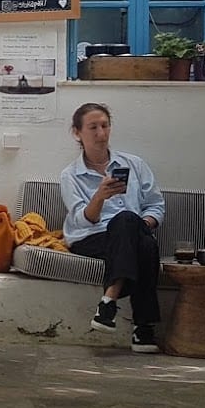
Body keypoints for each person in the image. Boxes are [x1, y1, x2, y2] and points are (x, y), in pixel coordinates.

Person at [60, 102, 166, 354]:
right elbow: (82, 220)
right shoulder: (71, 175)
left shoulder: (135, 164)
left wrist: (144, 224)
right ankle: (143, 328)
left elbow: (155, 206)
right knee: (137, 234)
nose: (101, 133)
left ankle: (108, 303)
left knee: (139, 234)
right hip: (91, 238)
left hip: (131, 234)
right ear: (77, 133)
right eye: (93, 127)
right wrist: (99, 197)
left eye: (105, 126)